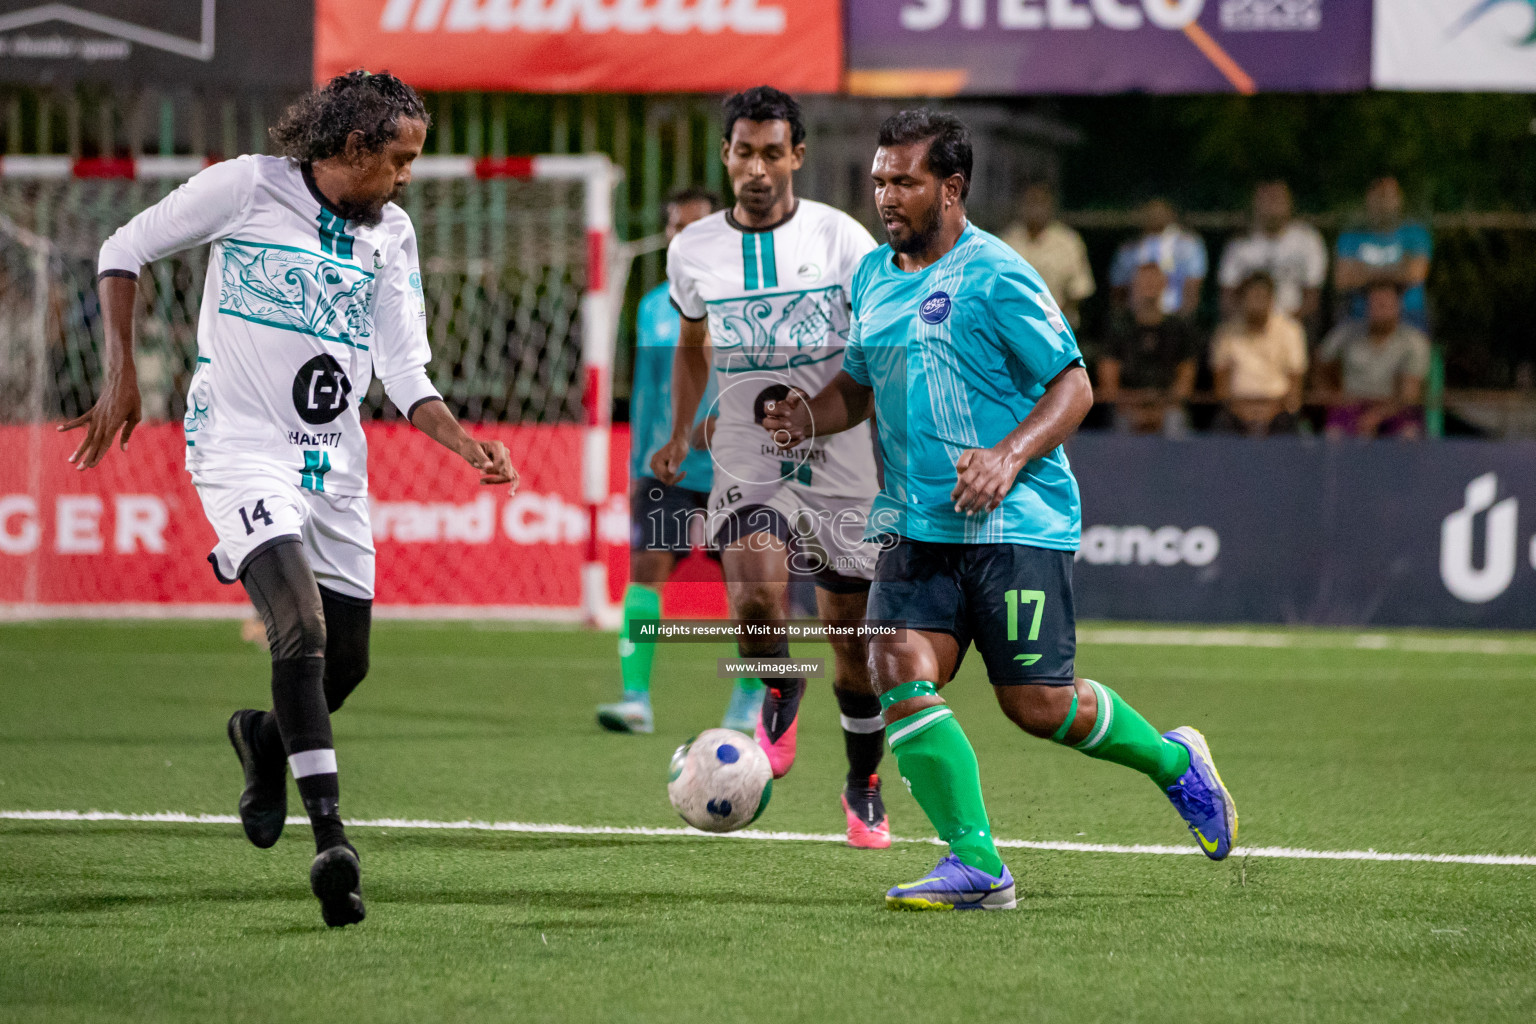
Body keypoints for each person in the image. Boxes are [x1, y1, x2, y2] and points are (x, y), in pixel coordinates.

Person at [63, 71, 517, 927]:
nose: (407, 176)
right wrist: (121, 375)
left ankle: (264, 738)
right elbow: (122, 249)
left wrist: (465, 444)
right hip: (238, 450)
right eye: (399, 160)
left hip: (335, 465)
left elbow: (404, 369)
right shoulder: (246, 187)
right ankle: (333, 844)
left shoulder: (393, 233)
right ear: (351, 148)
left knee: (345, 663)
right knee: (298, 627)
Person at [763, 109, 1237, 910]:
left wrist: (1008, 456)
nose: (886, 196)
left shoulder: (998, 273)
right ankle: (977, 864)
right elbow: (858, 384)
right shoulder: (874, 277)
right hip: (916, 525)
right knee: (895, 670)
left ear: (951, 188)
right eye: (880, 180)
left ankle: (1173, 763)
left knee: (1038, 706)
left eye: (904, 181)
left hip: (1014, 523)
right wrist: (809, 416)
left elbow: (1075, 384)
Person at [649, 86, 891, 849]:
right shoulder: (692, 249)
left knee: (851, 638)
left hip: (839, 447)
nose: (757, 168)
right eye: (743, 152)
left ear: (797, 156)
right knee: (756, 603)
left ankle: (863, 780)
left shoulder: (842, 238)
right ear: (727, 156)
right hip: (748, 450)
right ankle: (781, 683)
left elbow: (877, 346)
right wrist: (683, 429)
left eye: (772, 153)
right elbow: (693, 345)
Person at [597, 189, 765, 735]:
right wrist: (640, 467)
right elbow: (648, 391)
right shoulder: (652, 305)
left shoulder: (747, 302)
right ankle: (635, 700)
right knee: (646, 572)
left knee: (752, 592)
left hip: (734, 470)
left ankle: (748, 703)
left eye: (695, 227)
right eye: (674, 227)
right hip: (664, 470)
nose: (682, 237)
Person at [1316, 282, 1430, 439]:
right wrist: (1332, 397)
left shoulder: (1414, 342)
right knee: (1333, 435)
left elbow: (1409, 395)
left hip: (1395, 408)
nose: (1379, 309)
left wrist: (1375, 417)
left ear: (1397, 306)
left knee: (1408, 435)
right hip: (1351, 405)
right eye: (1374, 304)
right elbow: (1321, 364)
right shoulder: (1345, 334)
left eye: (1385, 304)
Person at [1097, 262, 1200, 435]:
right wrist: (1135, 408)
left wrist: (1160, 409)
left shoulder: (1179, 328)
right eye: (1144, 281)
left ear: (1165, 284)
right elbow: (1109, 384)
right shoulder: (1118, 328)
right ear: (1133, 285)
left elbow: (1185, 381)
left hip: (1168, 409)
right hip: (1127, 410)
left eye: (1154, 280)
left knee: (1176, 421)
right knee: (1120, 422)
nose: (1149, 285)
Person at [1218, 180, 1327, 334]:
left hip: (1293, 323)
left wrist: (1283, 327)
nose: (1272, 206)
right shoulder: (1239, 245)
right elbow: (1227, 297)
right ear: (1255, 203)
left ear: (1289, 203)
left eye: (1277, 199)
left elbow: (1312, 297)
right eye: (1266, 199)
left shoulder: (1308, 241)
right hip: (1247, 326)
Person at [1210, 272, 1308, 436]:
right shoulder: (1225, 334)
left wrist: (1270, 413)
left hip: (1278, 412)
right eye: (1253, 295)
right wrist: (1243, 413)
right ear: (1241, 299)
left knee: (1290, 429)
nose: (1258, 301)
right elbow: (1221, 388)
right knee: (1220, 427)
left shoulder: (1291, 331)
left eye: (1263, 296)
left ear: (1272, 299)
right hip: (1236, 412)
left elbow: (1295, 389)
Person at [1335, 176, 1432, 331]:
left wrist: (1363, 272)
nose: (1383, 203)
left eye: (1388, 196)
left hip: (1408, 315)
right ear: (1368, 199)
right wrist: (1397, 271)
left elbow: (1415, 274)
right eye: (1378, 196)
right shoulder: (1350, 237)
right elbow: (1343, 279)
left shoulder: (1415, 234)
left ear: (1399, 200)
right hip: (1360, 315)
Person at [999, 181, 1094, 331]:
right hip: (1015, 328)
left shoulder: (1068, 242)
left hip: (1059, 329)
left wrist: (1053, 323)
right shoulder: (1007, 241)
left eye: (1040, 201)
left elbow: (1079, 290)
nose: (1035, 207)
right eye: (1030, 201)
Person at [1109, 198, 1206, 318]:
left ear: (1171, 212)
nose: (1155, 213)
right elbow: (1118, 291)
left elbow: (1193, 287)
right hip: (1137, 320)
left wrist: (1185, 319)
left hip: (1175, 318)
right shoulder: (1128, 249)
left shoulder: (1189, 244)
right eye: (1151, 208)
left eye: (1160, 208)